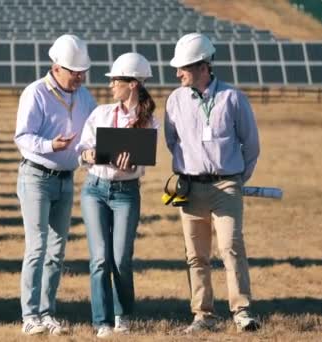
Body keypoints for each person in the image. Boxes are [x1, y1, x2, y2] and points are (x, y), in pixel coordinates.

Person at [164, 33, 261, 333]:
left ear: (203, 67)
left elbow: (251, 145)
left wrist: (234, 180)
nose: (177, 73)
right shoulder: (175, 100)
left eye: (183, 67)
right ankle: (203, 315)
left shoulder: (233, 98)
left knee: (231, 247)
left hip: (226, 187)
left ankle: (241, 311)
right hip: (190, 189)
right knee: (196, 255)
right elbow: (172, 141)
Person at [14, 34, 97, 336]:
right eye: (75, 71)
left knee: (57, 250)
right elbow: (22, 137)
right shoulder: (35, 93)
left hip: (66, 180)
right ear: (57, 67)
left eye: (82, 72)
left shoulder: (85, 96)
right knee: (37, 247)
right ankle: (30, 316)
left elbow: (95, 130)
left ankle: (48, 312)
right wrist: (50, 145)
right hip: (36, 177)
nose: (80, 76)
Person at [76, 53, 158, 339]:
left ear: (133, 84)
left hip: (126, 193)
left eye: (116, 81)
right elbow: (82, 150)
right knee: (99, 259)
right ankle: (102, 322)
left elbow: (145, 160)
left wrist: (133, 164)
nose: (111, 85)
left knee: (121, 258)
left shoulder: (148, 122)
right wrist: (87, 154)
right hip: (95, 190)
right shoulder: (100, 113)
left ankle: (123, 315)